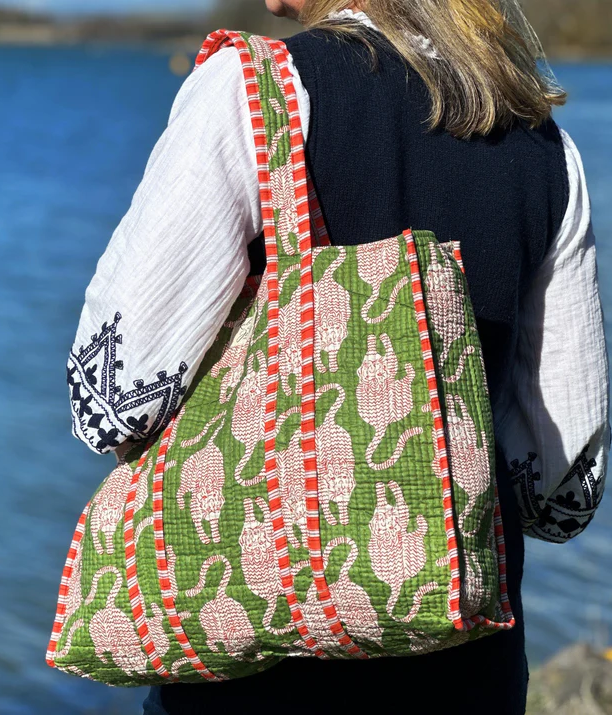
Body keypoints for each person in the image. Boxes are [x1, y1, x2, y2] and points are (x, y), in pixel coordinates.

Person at [67, 2, 609, 713]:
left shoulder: (254, 89)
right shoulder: (542, 146)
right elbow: (560, 498)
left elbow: (110, 404)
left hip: (254, 673)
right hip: (468, 674)